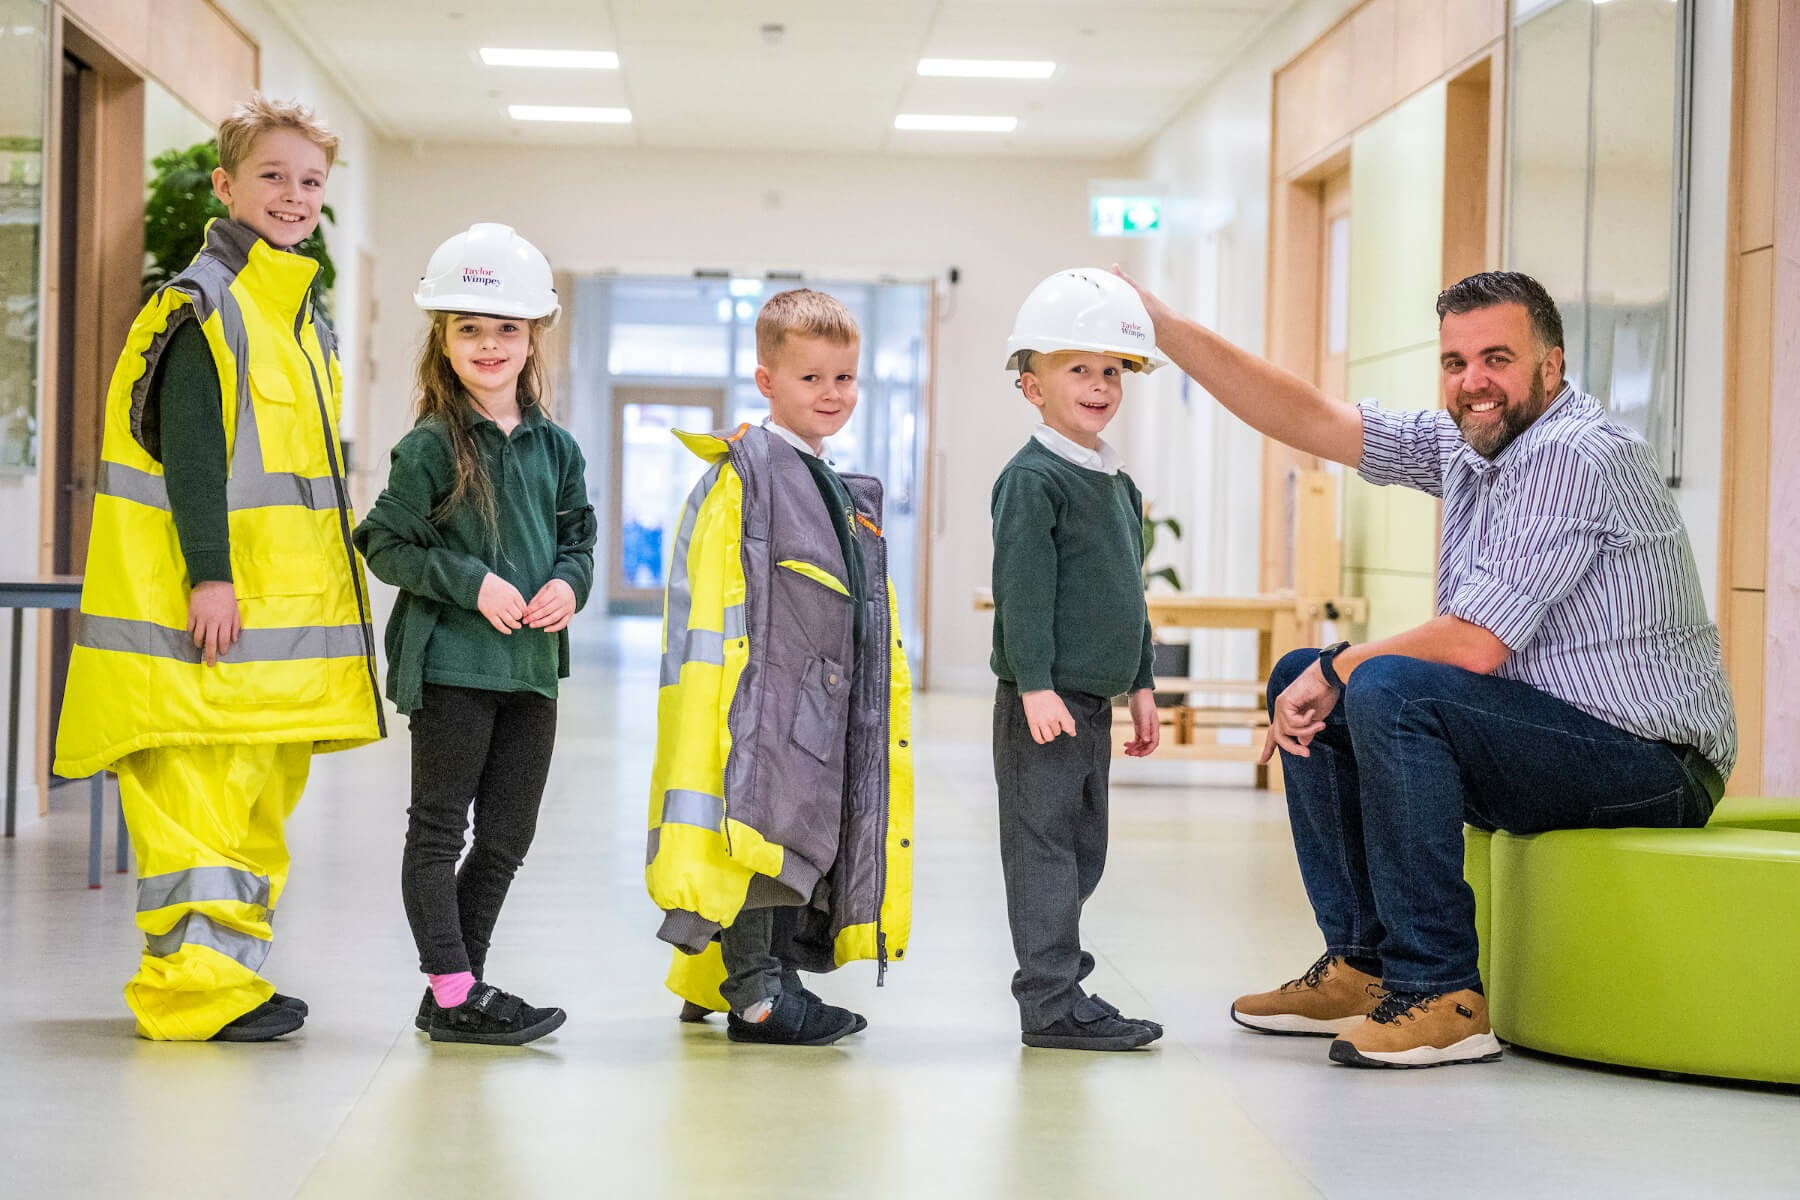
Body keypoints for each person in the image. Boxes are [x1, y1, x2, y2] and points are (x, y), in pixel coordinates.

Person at [1119, 267, 1735, 1069]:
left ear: (1551, 365)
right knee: (1305, 674)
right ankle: (1364, 968)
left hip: (1653, 764)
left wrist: (1342, 668)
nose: (1474, 381)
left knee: (1380, 684)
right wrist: (1164, 327)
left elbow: (1475, 644)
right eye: (1456, 362)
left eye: (1497, 358)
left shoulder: (1579, 454)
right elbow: (1311, 417)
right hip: (1547, 736)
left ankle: (1443, 991)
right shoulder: (1470, 441)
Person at [53, 95, 384, 1042]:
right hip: (208, 623)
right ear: (226, 185)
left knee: (251, 812)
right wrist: (210, 575)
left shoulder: (291, 315)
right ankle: (192, 994)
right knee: (197, 814)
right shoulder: (205, 308)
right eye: (273, 176)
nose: (292, 195)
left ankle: (228, 978)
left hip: (270, 640)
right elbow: (194, 457)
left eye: (310, 181)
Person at [645, 288, 914, 1046]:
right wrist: (741, 701)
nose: (832, 395)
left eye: (845, 378)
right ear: (766, 382)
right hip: (759, 697)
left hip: (813, 701)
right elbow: (728, 604)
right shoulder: (749, 475)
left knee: (792, 838)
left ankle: (752, 976)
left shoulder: (824, 481)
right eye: (811, 379)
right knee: (760, 833)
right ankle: (758, 994)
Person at [353, 224, 595, 1046]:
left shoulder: (557, 448)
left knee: (508, 836)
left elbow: (579, 538)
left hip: (529, 668)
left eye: (506, 329)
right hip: (452, 665)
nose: (489, 344)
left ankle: (455, 991)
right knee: (438, 829)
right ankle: (457, 993)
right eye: (469, 328)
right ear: (442, 340)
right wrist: (474, 583)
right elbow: (382, 541)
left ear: (533, 339)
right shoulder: (428, 445)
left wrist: (568, 583)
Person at [989, 268, 1167, 1052]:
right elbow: (1022, 594)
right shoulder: (1033, 480)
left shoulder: (1117, 485)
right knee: (1045, 850)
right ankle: (1051, 1002)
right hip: (1046, 702)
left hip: (1094, 701)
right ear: (1031, 386)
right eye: (1077, 369)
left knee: (1083, 849)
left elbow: (1130, 594)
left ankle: (1062, 982)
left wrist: (1144, 685)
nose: (1099, 385)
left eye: (1110, 370)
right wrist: (1033, 685)